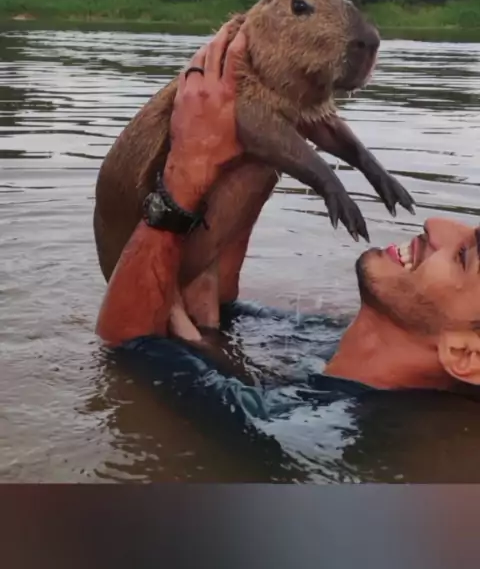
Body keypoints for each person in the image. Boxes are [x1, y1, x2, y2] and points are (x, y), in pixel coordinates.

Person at [96, 22, 480, 431]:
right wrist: (253, 136)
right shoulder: (319, 338)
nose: (435, 223)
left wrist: (188, 171)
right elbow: (221, 311)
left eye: (464, 256)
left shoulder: (295, 431)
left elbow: (126, 344)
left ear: (465, 355)